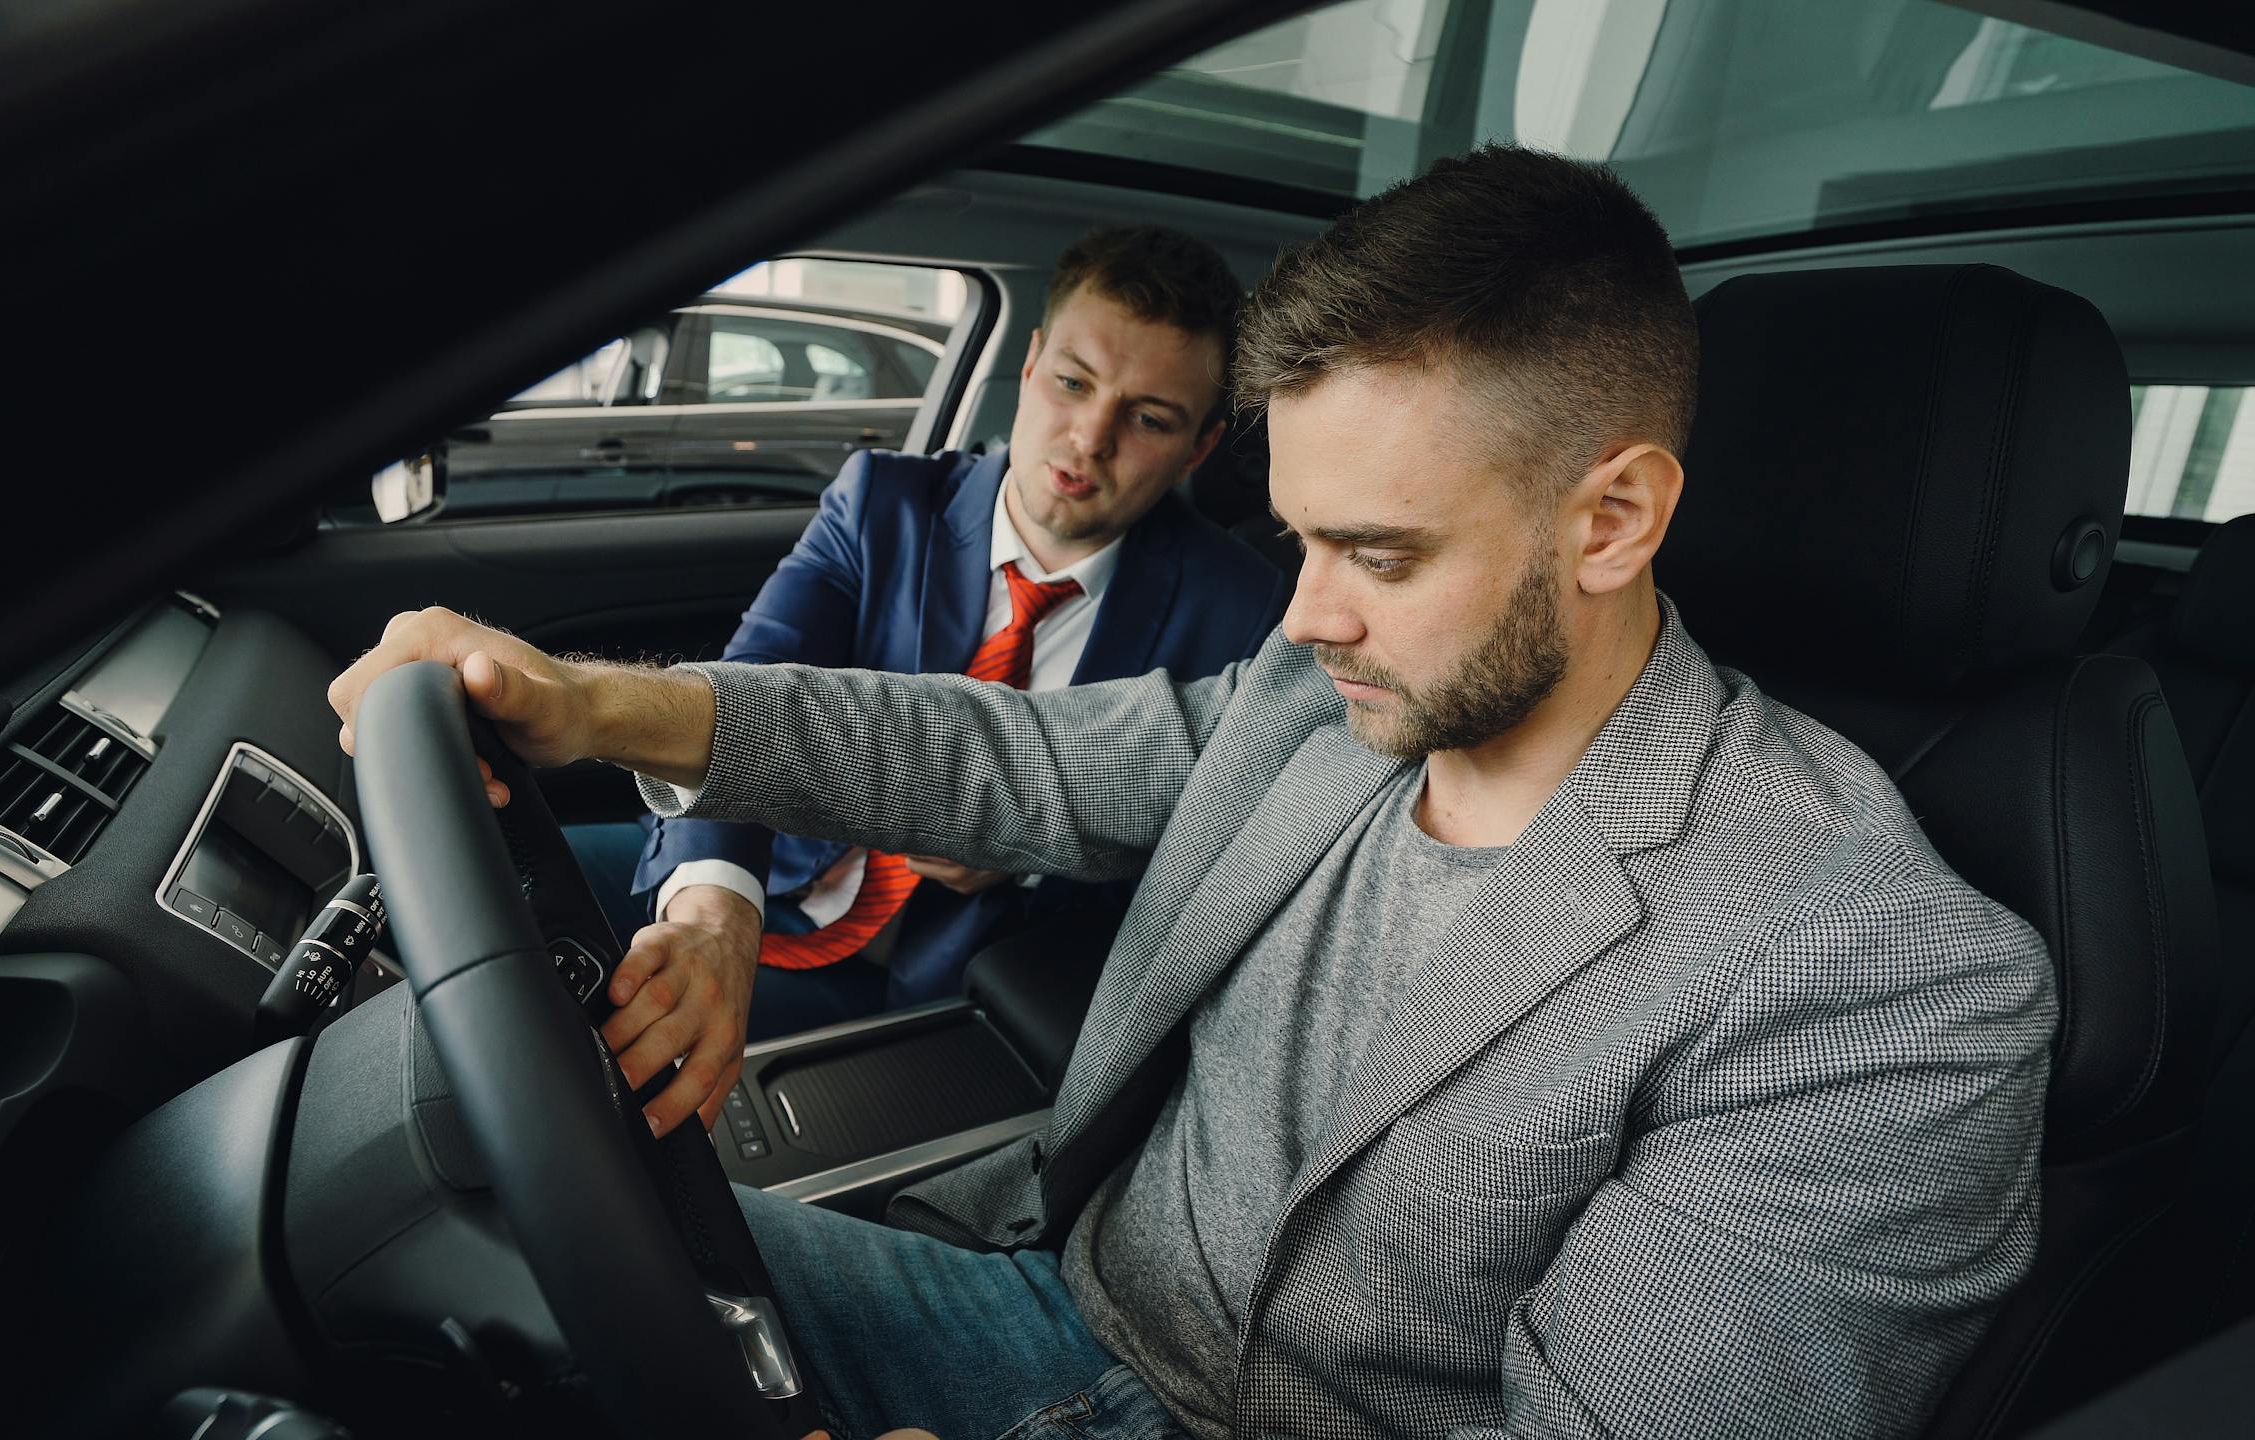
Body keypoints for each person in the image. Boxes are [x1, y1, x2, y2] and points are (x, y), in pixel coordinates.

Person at [328, 146, 2053, 1438]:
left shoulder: (1877, 985)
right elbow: (998, 754)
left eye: (1379, 553)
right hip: (1037, 1300)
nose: (1303, 618)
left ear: (1612, 520)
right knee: (425, 1212)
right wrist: (588, 705)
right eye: (1296, 540)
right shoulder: (1331, 690)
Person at [576, 225, 1285, 1044]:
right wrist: (713, 908)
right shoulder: (882, 504)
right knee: (503, 881)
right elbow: (745, 680)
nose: (1091, 438)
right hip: (750, 875)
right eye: (1072, 382)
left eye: (1150, 419)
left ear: (1199, 449)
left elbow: (1202, 878)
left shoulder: (1242, 610)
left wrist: (1026, 854)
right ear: (1030, 366)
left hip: (951, 990)